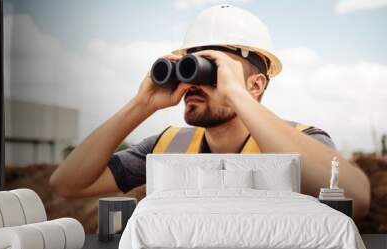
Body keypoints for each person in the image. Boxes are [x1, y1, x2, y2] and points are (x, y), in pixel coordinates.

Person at [49, 5, 370, 219]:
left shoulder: (304, 140)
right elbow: (68, 184)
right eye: (189, 68)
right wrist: (141, 105)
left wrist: (234, 93)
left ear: (256, 85)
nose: (193, 82)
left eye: (210, 70)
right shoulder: (167, 146)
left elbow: (357, 197)